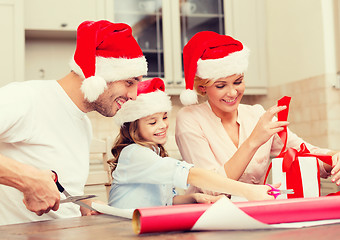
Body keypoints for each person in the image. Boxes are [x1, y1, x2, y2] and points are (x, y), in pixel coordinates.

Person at [0, 20, 148, 225]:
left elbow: (64, 189)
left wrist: (83, 202)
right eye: (129, 82)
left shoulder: (83, 124)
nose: (133, 95)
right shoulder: (25, 98)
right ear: (99, 75)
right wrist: (27, 180)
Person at [175, 31, 340, 196]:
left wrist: (334, 158)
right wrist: (254, 140)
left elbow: (304, 152)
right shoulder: (189, 118)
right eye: (221, 86)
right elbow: (210, 188)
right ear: (203, 87)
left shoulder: (256, 114)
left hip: (258, 211)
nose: (232, 93)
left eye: (238, 82)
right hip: (210, 215)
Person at [107, 78, 277, 209]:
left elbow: (165, 201)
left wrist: (193, 198)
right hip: (123, 228)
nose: (163, 125)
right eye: (152, 122)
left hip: (145, 226)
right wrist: (249, 191)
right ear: (133, 128)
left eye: (164, 118)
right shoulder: (134, 154)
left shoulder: (155, 154)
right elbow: (193, 175)